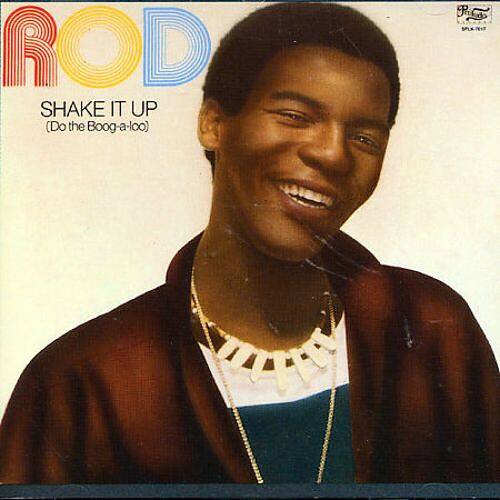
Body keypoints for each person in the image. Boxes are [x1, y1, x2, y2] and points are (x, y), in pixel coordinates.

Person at [0, 3, 497, 484]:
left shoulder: (432, 331)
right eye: (295, 115)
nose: (333, 155)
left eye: (364, 138)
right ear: (213, 125)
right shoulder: (82, 381)